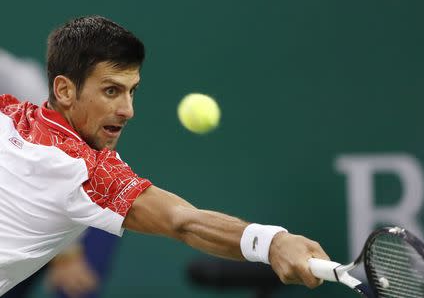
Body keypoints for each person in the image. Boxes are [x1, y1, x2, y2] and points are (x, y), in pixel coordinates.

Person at [0, 15, 329, 296]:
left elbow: (184, 221)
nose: (127, 110)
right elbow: (183, 223)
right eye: (111, 90)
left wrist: (272, 242)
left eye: (132, 91)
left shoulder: (10, 113)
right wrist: (271, 243)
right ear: (64, 90)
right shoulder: (83, 172)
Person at [0, 49, 119, 298]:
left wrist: (66, 252)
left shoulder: (21, 84)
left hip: (83, 196)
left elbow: (75, 162)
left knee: (74, 288)